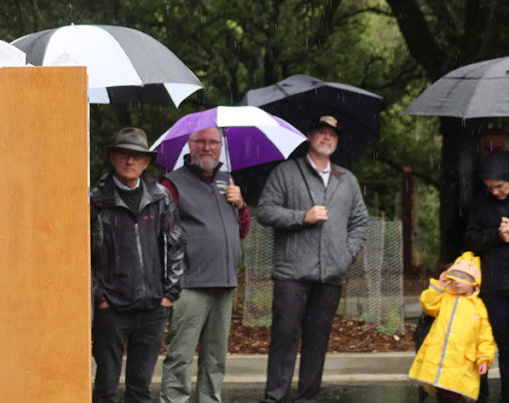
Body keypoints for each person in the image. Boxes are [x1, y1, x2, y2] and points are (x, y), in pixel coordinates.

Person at [256, 114, 369, 403]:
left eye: (332, 133)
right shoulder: (286, 172)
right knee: (284, 337)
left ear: (337, 140)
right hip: (291, 273)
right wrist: (301, 217)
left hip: (331, 274)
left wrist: (346, 255)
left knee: (318, 341)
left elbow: (360, 222)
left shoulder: (348, 180)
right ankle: (275, 397)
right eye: (321, 132)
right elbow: (265, 211)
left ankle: (308, 397)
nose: (327, 137)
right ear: (309, 136)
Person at [90, 127, 183, 403]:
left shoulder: (160, 197)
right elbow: (80, 255)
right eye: (123, 155)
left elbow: (176, 245)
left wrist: (169, 295)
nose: (129, 161)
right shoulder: (95, 200)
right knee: (106, 386)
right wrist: (100, 297)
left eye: (136, 156)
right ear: (112, 158)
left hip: (153, 308)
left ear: (146, 162)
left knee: (140, 389)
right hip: (112, 309)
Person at [159, 126, 250, 403]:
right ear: (189, 145)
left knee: (216, 358)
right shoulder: (172, 183)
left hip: (224, 282)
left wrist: (241, 204)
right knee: (180, 356)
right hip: (190, 283)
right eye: (200, 142)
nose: (207, 147)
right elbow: (161, 233)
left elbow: (242, 231)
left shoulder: (228, 181)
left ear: (221, 146)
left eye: (213, 142)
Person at [465, 151, 509, 403]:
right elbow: (472, 239)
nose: (496, 192)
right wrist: (496, 236)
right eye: (490, 188)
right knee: (505, 347)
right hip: (494, 284)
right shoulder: (480, 203)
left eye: (500, 186)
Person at [408, 252, 495, 402]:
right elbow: (428, 305)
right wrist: (439, 288)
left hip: (462, 365)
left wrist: (484, 358)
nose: (457, 282)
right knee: (445, 396)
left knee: (456, 395)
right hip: (441, 363)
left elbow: (485, 337)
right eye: (454, 277)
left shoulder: (478, 307)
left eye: (464, 278)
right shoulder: (445, 297)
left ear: (475, 282)